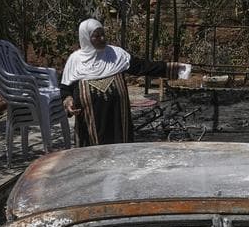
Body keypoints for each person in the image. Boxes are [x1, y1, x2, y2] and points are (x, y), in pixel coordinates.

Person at [60, 18, 190, 146]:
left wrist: (173, 68)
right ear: (86, 38)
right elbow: (65, 87)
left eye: (103, 35)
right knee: (93, 159)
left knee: (120, 153)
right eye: (97, 36)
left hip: (118, 119)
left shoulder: (117, 55)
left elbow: (142, 66)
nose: (102, 39)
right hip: (90, 125)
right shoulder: (75, 61)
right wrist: (68, 101)